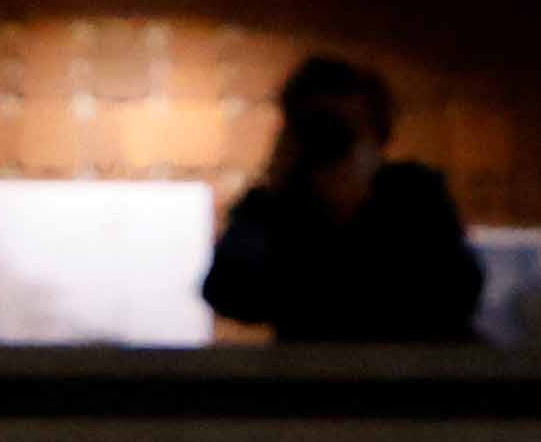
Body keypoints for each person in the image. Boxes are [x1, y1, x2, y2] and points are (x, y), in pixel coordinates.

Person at [203, 52, 488, 344]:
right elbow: (227, 293)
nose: (326, 143)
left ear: (377, 135)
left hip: (404, 364)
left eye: (339, 131)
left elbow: (458, 292)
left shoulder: (413, 195)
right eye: (313, 129)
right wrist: (278, 189)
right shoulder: (274, 206)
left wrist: (361, 210)